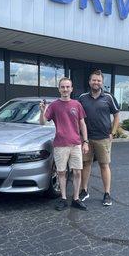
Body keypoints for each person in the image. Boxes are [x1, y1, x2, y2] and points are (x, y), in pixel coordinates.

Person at [40, 77, 89, 211]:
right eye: (62, 87)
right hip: (60, 145)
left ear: (71, 89)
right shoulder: (54, 105)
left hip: (76, 144)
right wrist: (42, 110)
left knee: (77, 172)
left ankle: (76, 199)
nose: (65, 89)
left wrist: (85, 141)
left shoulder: (77, 105)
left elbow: (82, 124)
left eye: (68, 87)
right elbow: (42, 122)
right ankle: (63, 199)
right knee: (61, 173)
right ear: (59, 89)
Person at [79, 69, 120, 206]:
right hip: (86, 138)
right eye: (94, 80)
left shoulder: (108, 97)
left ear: (102, 83)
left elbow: (116, 115)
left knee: (104, 165)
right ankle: (84, 190)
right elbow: (77, 117)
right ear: (89, 82)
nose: (96, 82)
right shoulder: (82, 98)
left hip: (103, 138)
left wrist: (113, 133)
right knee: (86, 164)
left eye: (99, 80)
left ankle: (107, 193)